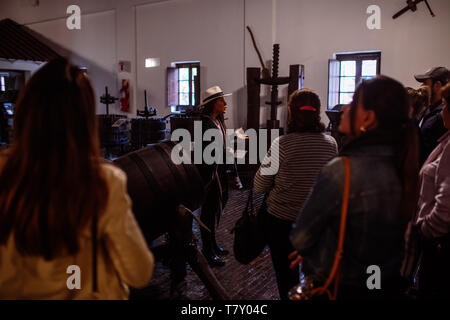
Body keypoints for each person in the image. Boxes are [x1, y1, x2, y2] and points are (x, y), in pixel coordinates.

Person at [0, 58, 154, 299]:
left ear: (26, 111)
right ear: (84, 120)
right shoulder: (102, 182)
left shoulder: (5, 173)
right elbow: (139, 272)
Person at [290, 76, 419, 299]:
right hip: (379, 283)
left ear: (367, 118)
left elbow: (301, 237)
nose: (345, 108)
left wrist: (318, 250)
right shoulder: (402, 165)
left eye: (352, 101)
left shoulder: (343, 170)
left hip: (342, 286)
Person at [253, 89, 338, 300]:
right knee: (317, 276)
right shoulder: (331, 144)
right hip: (317, 223)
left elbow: (259, 186)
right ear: (318, 114)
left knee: (286, 277)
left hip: (283, 222)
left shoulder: (281, 145)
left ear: (291, 113)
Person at [415, 82, 450, 298]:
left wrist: (426, 228)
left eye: (446, 105)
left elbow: (446, 202)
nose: (442, 111)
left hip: (440, 242)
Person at [197, 86, 232, 267]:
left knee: (217, 209)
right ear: (212, 104)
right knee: (209, 212)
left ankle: (213, 244)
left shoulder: (216, 121)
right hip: (211, 174)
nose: (225, 104)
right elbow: (204, 154)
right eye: (221, 101)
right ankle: (207, 250)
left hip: (219, 171)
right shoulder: (204, 124)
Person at [414, 67, 450, 165]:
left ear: (437, 85)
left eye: (426, 83)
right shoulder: (426, 109)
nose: (422, 86)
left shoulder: (444, 115)